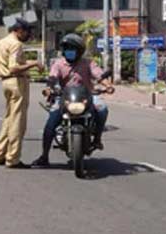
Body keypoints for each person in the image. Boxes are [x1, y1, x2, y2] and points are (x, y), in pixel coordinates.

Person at [31, 34, 113, 168]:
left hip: (87, 96)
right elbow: (52, 78)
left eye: (72, 49)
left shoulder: (88, 63)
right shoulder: (58, 64)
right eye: (67, 48)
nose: (69, 51)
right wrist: (49, 89)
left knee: (103, 109)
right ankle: (44, 156)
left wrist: (107, 86)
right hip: (64, 97)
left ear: (79, 51)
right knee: (50, 124)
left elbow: (98, 74)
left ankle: (97, 138)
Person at [0, 18, 39, 169]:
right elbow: (13, 67)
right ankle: (13, 158)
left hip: (5, 83)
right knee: (18, 122)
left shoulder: (0, 43)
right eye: (26, 32)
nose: (27, 36)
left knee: (8, 120)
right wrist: (33, 63)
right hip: (16, 82)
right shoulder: (15, 44)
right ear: (19, 31)